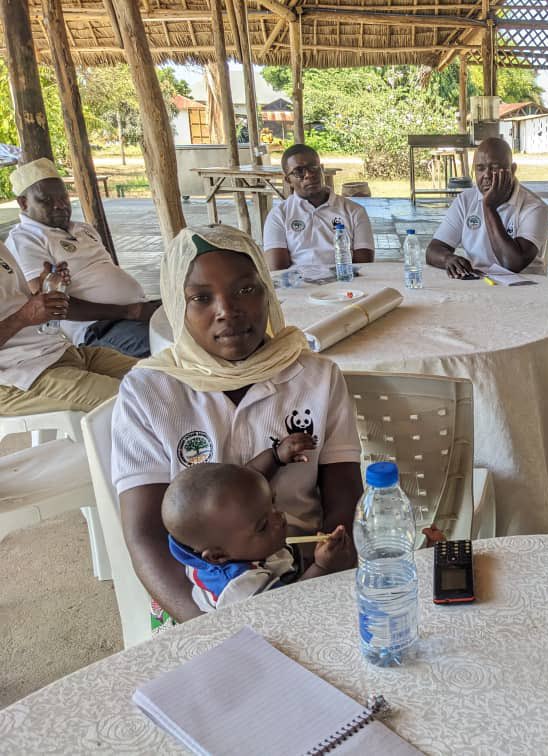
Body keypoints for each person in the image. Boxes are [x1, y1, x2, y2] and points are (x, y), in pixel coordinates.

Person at [112, 224, 363, 628]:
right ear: (179, 307)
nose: (227, 310)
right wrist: (212, 630)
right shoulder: (149, 392)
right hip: (201, 596)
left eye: (246, 289)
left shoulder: (316, 377)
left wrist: (329, 568)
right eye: (201, 298)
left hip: (309, 570)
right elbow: (144, 534)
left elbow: (344, 488)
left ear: (267, 290)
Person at [6, 158, 160, 358]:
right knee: (168, 349)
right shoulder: (24, 240)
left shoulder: (83, 229)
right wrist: (129, 312)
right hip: (98, 328)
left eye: (64, 197)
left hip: (137, 310)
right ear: (24, 203)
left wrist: (136, 309)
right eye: (47, 200)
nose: (60, 206)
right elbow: (51, 305)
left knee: (198, 323)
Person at [163, 463, 351, 612]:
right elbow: (287, 610)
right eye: (262, 526)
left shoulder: (236, 545)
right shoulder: (238, 585)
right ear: (217, 557)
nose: (279, 518)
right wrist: (323, 567)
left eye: (273, 503)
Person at [0, 241, 136, 415]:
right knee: (138, 402)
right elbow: (22, 315)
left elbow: (14, 305)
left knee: (162, 378)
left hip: (60, 352)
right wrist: (24, 316)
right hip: (21, 376)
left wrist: (44, 289)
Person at [426, 137, 548, 278]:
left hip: (525, 285)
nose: (486, 175)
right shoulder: (465, 200)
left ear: (513, 170)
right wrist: (448, 259)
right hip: (481, 281)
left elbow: (513, 264)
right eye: (480, 168)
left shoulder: (534, 207)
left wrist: (489, 207)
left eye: (495, 168)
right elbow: (433, 250)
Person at [263, 144, 375, 271]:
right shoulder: (279, 215)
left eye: (313, 167)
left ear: (321, 169)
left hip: (344, 284)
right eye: (299, 171)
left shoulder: (354, 211)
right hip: (300, 287)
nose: (309, 175)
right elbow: (277, 270)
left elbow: (364, 265)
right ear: (288, 180)